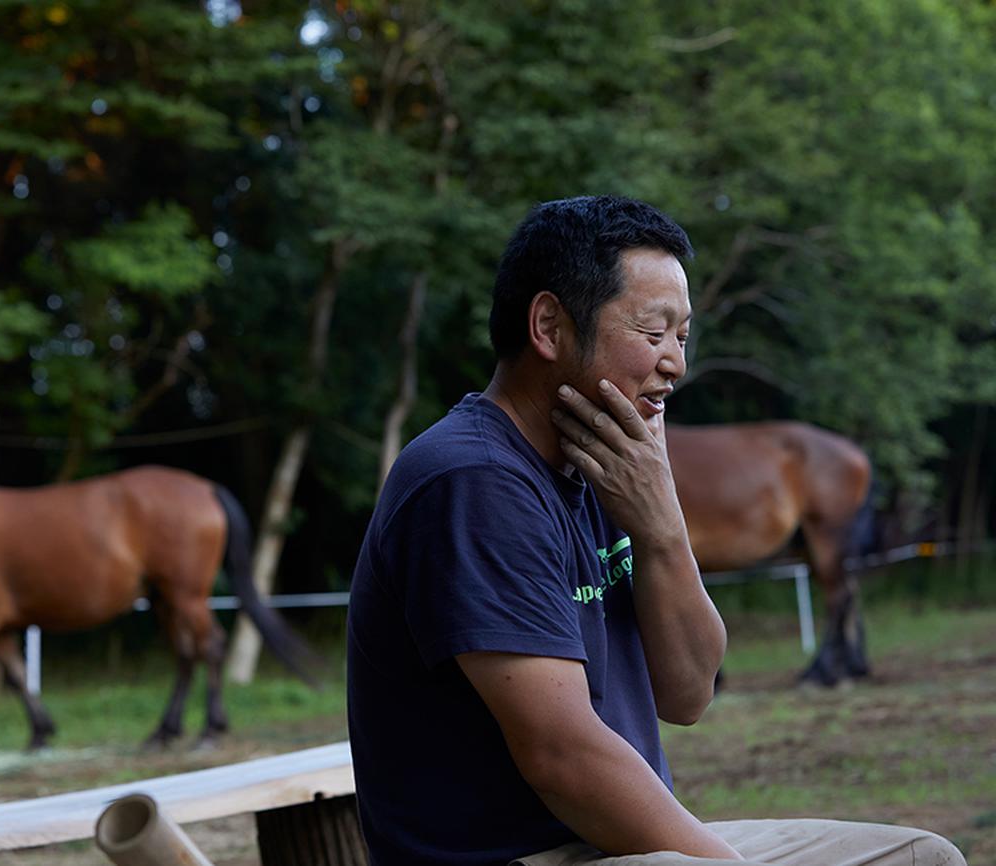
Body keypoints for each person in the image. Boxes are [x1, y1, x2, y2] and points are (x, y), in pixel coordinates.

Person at [345, 195, 965, 866]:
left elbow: (689, 691)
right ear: (549, 326)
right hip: (525, 855)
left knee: (923, 856)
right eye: (653, 331)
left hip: (608, 844)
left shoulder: (606, 464)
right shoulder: (474, 481)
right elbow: (561, 756)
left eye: (683, 336)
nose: (676, 363)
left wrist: (662, 524)